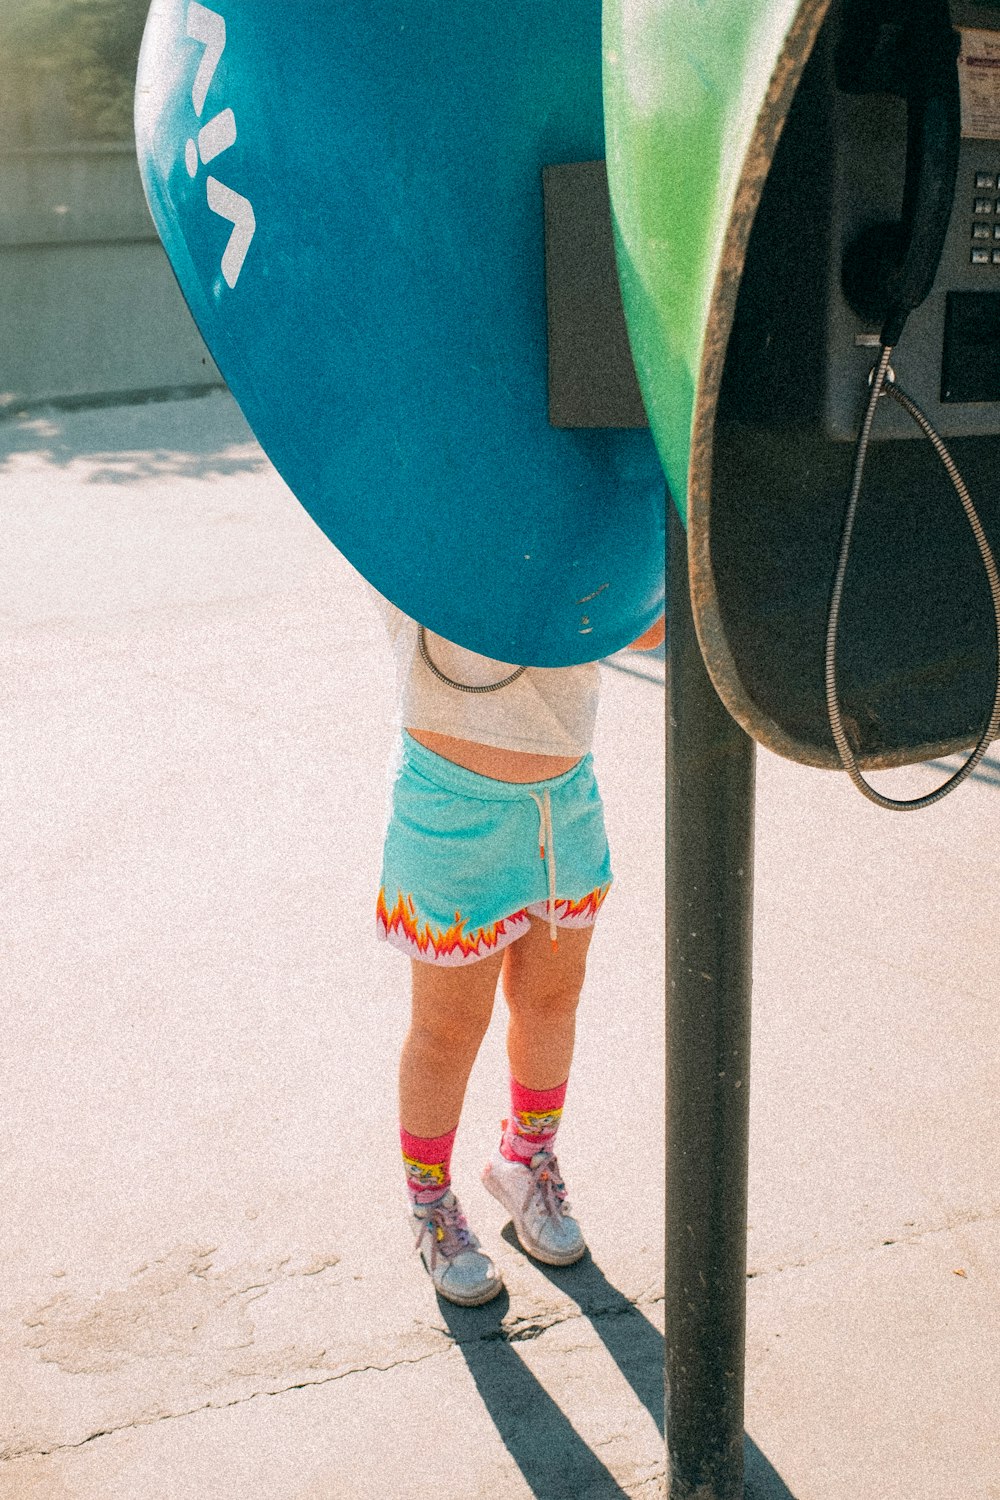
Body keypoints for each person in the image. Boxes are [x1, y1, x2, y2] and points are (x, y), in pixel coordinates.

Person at [373, 594, 665, 1305]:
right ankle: (430, 1201)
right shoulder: (422, 504)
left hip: (563, 803)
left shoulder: (573, 502)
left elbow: (650, 625)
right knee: (448, 1030)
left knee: (551, 1002)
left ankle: (524, 1160)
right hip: (450, 812)